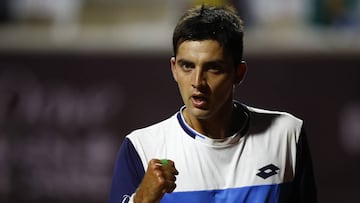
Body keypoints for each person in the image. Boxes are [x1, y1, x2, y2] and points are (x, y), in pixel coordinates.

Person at [108, 5, 317, 203]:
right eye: (187, 66)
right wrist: (142, 199)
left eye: (213, 68)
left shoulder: (287, 134)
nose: (197, 82)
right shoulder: (141, 148)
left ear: (239, 73)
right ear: (174, 69)